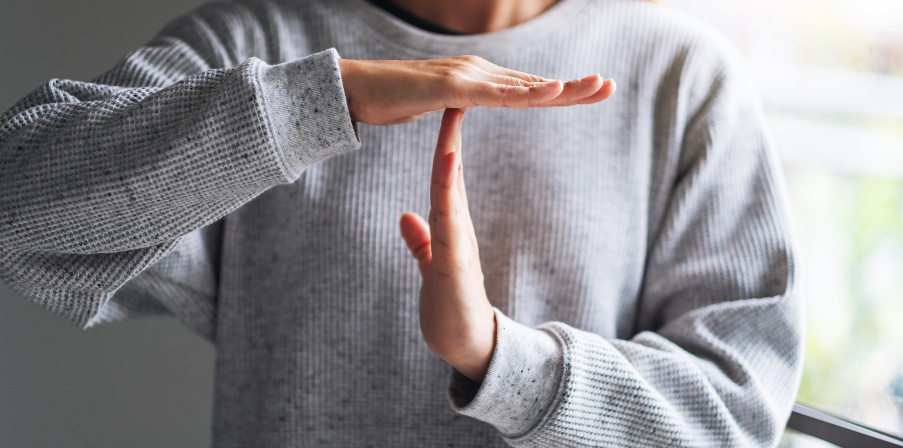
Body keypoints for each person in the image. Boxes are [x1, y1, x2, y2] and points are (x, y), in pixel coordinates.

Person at [0, 0, 804, 446]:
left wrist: (497, 359)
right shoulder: (260, 39)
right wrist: (324, 99)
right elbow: (13, 207)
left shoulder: (682, 77)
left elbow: (735, 416)